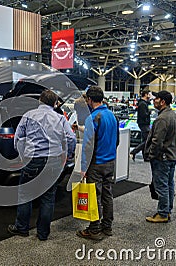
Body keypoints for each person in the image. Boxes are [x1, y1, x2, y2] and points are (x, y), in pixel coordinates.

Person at [7, 90, 76, 241]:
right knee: (48, 198)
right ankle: (43, 233)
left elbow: (18, 138)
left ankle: (22, 228)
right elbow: (71, 138)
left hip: (32, 160)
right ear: (55, 103)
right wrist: (68, 154)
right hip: (53, 161)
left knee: (25, 195)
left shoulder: (28, 115)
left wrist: (23, 155)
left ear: (40, 100)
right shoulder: (60, 118)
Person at [76, 86, 119, 240]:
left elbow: (88, 145)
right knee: (107, 195)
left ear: (90, 100)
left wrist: (83, 167)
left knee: (94, 197)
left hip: (96, 164)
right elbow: (117, 140)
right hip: (110, 162)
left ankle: (94, 229)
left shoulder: (92, 118)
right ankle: (107, 227)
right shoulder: (112, 115)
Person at [144, 90, 176, 223]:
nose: (154, 101)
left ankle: (163, 213)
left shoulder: (162, 118)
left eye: (156, 99)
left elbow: (157, 141)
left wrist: (151, 155)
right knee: (169, 184)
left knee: (162, 186)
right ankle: (167, 210)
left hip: (162, 158)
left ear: (163, 101)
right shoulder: (174, 115)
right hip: (172, 155)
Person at [130, 90, 151, 161]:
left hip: (143, 123)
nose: (150, 95)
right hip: (144, 123)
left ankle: (145, 156)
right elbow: (143, 114)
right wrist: (149, 112)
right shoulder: (142, 104)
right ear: (145, 94)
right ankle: (134, 152)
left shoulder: (144, 103)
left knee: (145, 140)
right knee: (147, 140)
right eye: (149, 94)